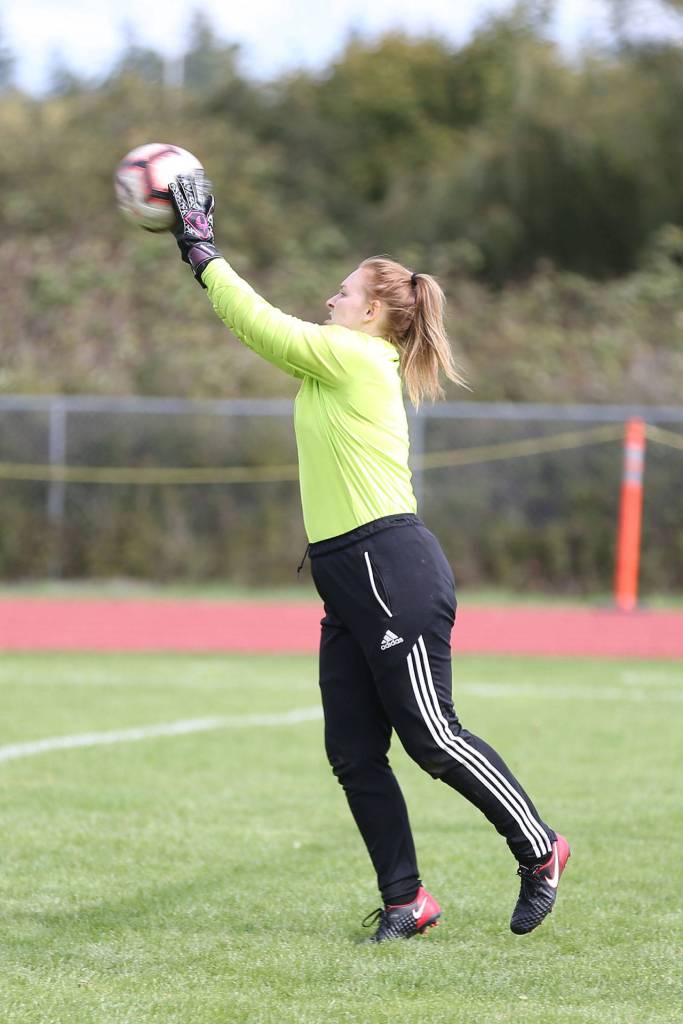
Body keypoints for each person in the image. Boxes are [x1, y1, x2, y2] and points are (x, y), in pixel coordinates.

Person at [167, 175, 570, 943]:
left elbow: (259, 324)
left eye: (342, 292)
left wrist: (201, 250)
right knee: (353, 753)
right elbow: (271, 335)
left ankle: (538, 847)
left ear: (375, 312)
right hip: (349, 581)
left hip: (390, 570)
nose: (329, 300)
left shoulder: (357, 358)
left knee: (431, 735)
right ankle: (405, 902)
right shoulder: (340, 361)